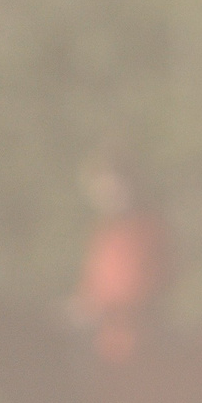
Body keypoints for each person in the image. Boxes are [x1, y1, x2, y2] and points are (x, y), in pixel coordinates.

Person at [69, 152, 173, 369]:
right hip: (99, 334)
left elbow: (149, 284)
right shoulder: (103, 235)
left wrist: (102, 310)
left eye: (114, 186)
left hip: (135, 338)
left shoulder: (150, 229)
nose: (108, 195)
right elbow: (91, 287)